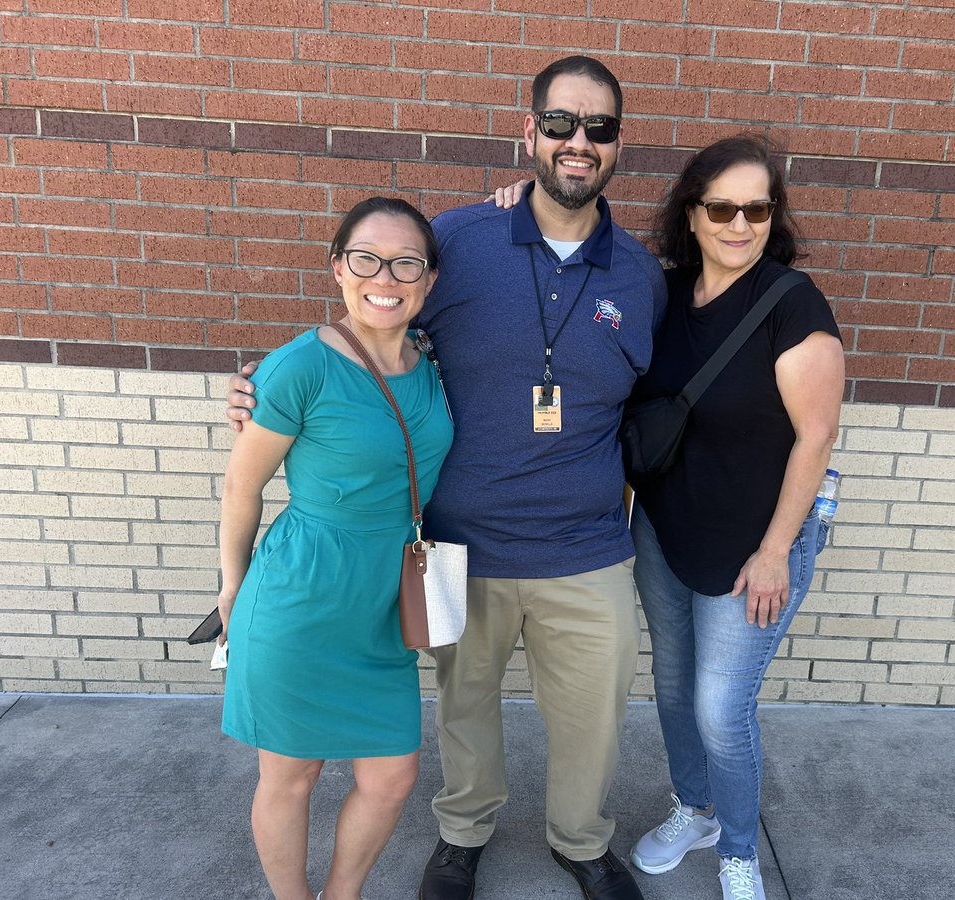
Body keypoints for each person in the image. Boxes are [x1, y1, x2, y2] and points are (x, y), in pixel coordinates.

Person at [227, 56, 667, 900]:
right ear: (529, 132)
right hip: (460, 542)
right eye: (562, 123)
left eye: (599, 127)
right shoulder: (460, 240)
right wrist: (268, 388)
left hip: (586, 543)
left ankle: (581, 840)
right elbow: (375, 316)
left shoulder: (641, 277)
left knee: (593, 719)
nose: (579, 141)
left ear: (617, 145)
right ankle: (464, 832)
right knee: (465, 709)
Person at [625, 135, 844, 900]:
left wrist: (779, 549)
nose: (739, 223)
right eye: (722, 207)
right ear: (692, 213)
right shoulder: (665, 293)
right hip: (664, 527)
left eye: (757, 208)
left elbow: (816, 436)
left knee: (722, 707)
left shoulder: (792, 303)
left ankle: (740, 850)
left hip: (756, 544)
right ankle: (697, 809)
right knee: (674, 685)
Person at [218, 197, 453, 900]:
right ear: (338, 270)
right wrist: (232, 586)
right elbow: (241, 488)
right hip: (302, 598)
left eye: (407, 261)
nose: (386, 275)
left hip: (384, 602)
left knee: (392, 776)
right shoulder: (299, 368)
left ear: (429, 280)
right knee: (291, 775)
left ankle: (341, 894)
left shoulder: (433, 361)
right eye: (366, 259)